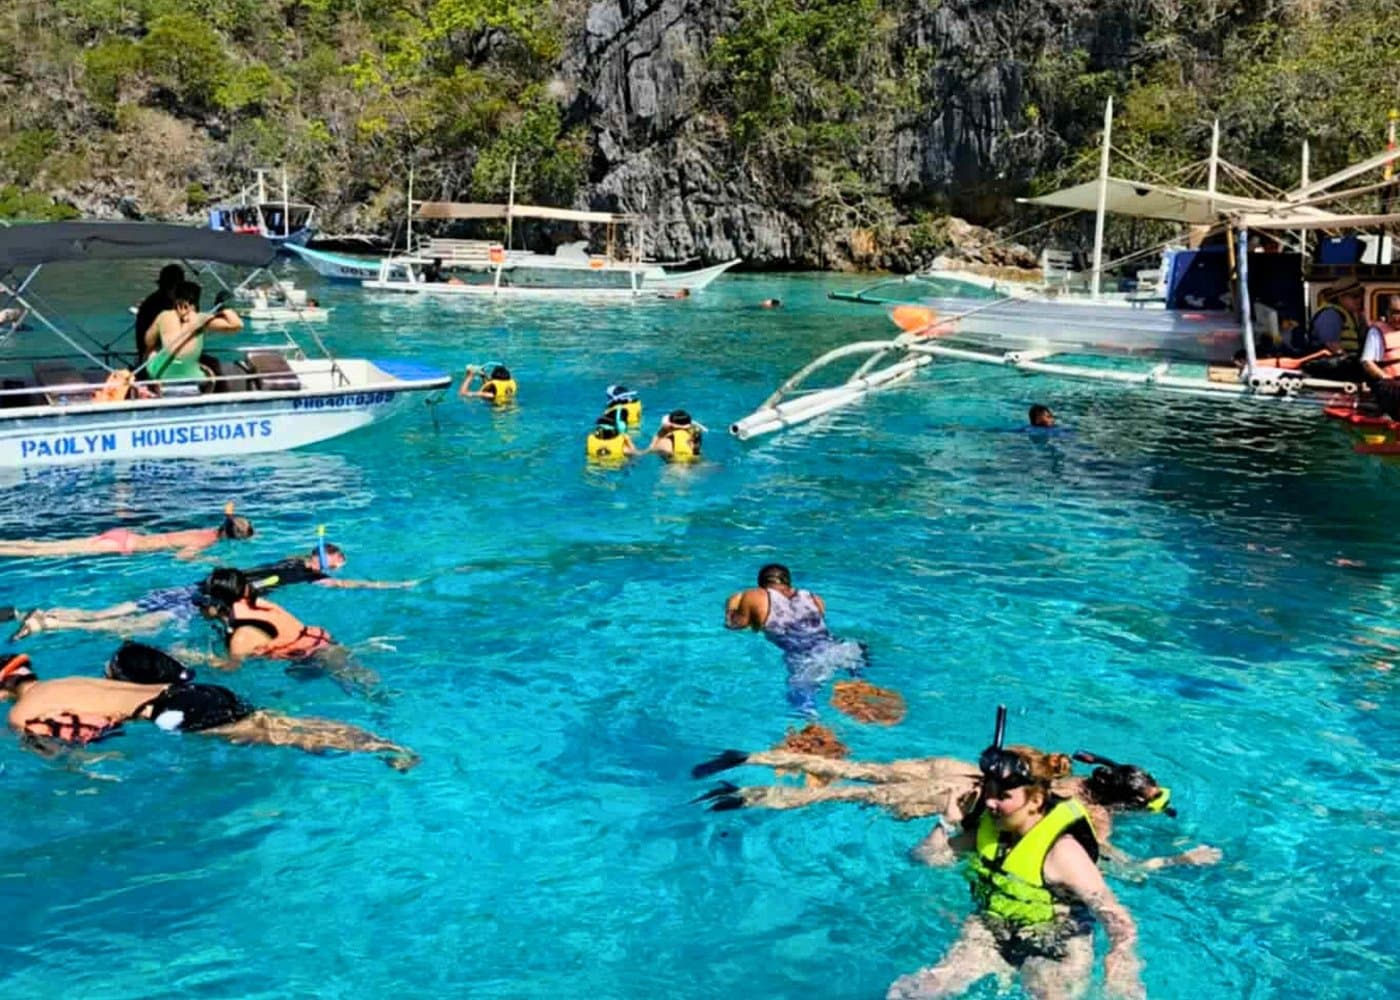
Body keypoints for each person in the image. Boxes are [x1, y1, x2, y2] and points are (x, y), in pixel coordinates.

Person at [886, 709, 1146, 1000]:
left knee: (1048, 990)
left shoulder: (1062, 852)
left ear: (1035, 800)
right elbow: (925, 859)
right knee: (913, 991)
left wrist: (1122, 968)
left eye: (1003, 796)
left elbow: (1118, 919)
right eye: (989, 793)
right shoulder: (991, 831)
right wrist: (948, 822)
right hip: (990, 929)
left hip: (1055, 941)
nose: (991, 803)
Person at [692, 745, 1220, 872]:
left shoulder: (1052, 766)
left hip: (955, 767)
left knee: (862, 770)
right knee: (841, 793)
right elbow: (1117, 869)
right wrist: (1176, 861)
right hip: (953, 793)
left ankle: (750, 756)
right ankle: (744, 796)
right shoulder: (1090, 815)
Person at [0, 650, 417, 769]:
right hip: (200, 692)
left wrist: (95, 765)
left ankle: (386, 751)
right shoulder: (64, 681)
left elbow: (57, 754)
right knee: (282, 727)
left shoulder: (19, 714)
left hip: (175, 710)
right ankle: (381, 744)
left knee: (282, 737)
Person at [9, 542, 413, 641]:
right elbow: (349, 583)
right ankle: (52, 625)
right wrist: (396, 586)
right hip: (207, 600)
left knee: (111, 612)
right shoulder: (303, 574)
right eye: (336, 561)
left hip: (197, 586)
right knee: (131, 626)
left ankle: (48, 613)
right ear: (325, 560)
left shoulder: (290, 562)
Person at [725, 563, 869, 715]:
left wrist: (731, 604)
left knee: (802, 704)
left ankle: (813, 723)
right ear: (788, 582)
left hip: (805, 659)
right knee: (857, 677)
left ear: (761, 583)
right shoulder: (814, 597)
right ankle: (859, 685)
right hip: (844, 649)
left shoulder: (755, 595)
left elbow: (734, 625)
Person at [0, 504, 254, 560]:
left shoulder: (208, 530)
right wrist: (210, 560)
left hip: (125, 535)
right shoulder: (205, 543)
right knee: (46, 554)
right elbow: (181, 557)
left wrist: (231, 515)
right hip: (124, 546)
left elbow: (229, 516)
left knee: (43, 546)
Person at [143, 280, 243, 393]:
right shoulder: (200, 318)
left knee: (151, 352)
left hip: (163, 377)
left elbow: (148, 341)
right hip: (193, 377)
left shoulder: (163, 316)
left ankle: (151, 388)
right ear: (196, 302)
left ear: (175, 299)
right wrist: (222, 307)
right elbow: (237, 324)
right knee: (210, 364)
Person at [1359, 294, 1400, 418]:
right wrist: (1385, 377)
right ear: (1387, 312)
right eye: (1395, 312)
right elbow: (1367, 362)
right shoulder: (1376, 332)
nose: (1398, 317)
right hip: (1389, 384)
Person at [133, 263, 183, 367]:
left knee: (213, 363)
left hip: (174, 352)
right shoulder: (154, 306)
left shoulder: (175, 303)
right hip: (155, 353)